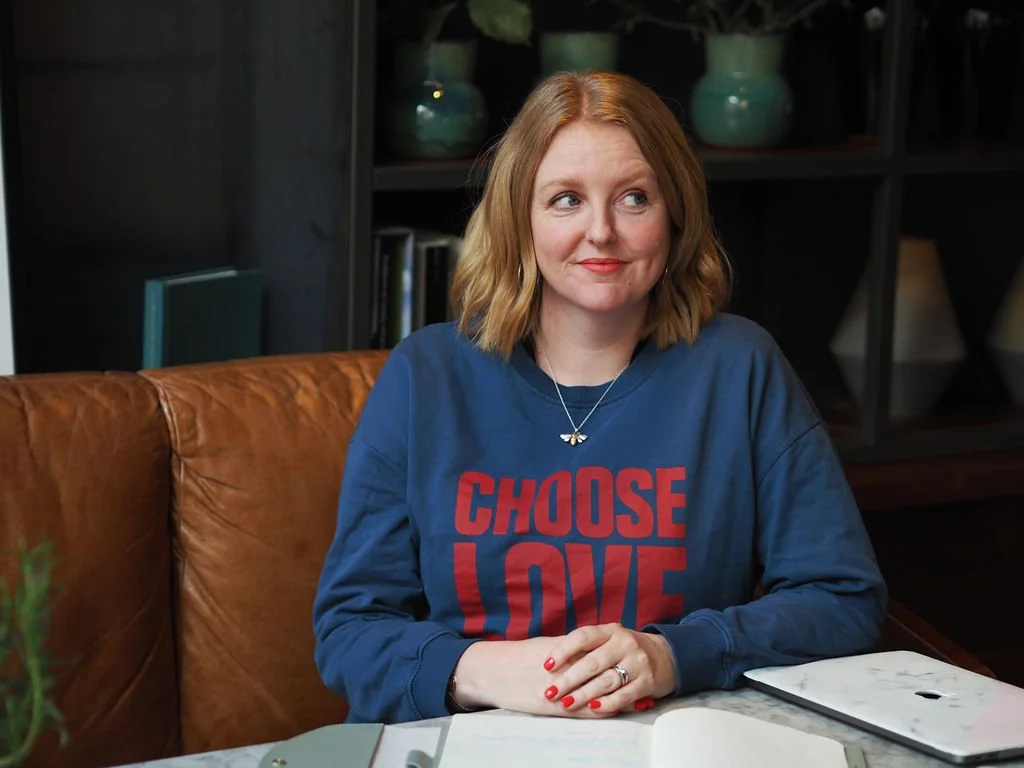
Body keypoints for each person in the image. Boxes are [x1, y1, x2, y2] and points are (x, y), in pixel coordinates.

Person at [312, 70, 887, 725]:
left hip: (668, 743)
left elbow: (842, 597)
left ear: (674, 213)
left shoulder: (739, 367)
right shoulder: (426, 375)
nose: (602, 232)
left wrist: (673, 654)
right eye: (566, 199)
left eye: (634, 198)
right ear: (520, 217)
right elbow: (349, 628)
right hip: (466, 741)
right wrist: (487, 671)